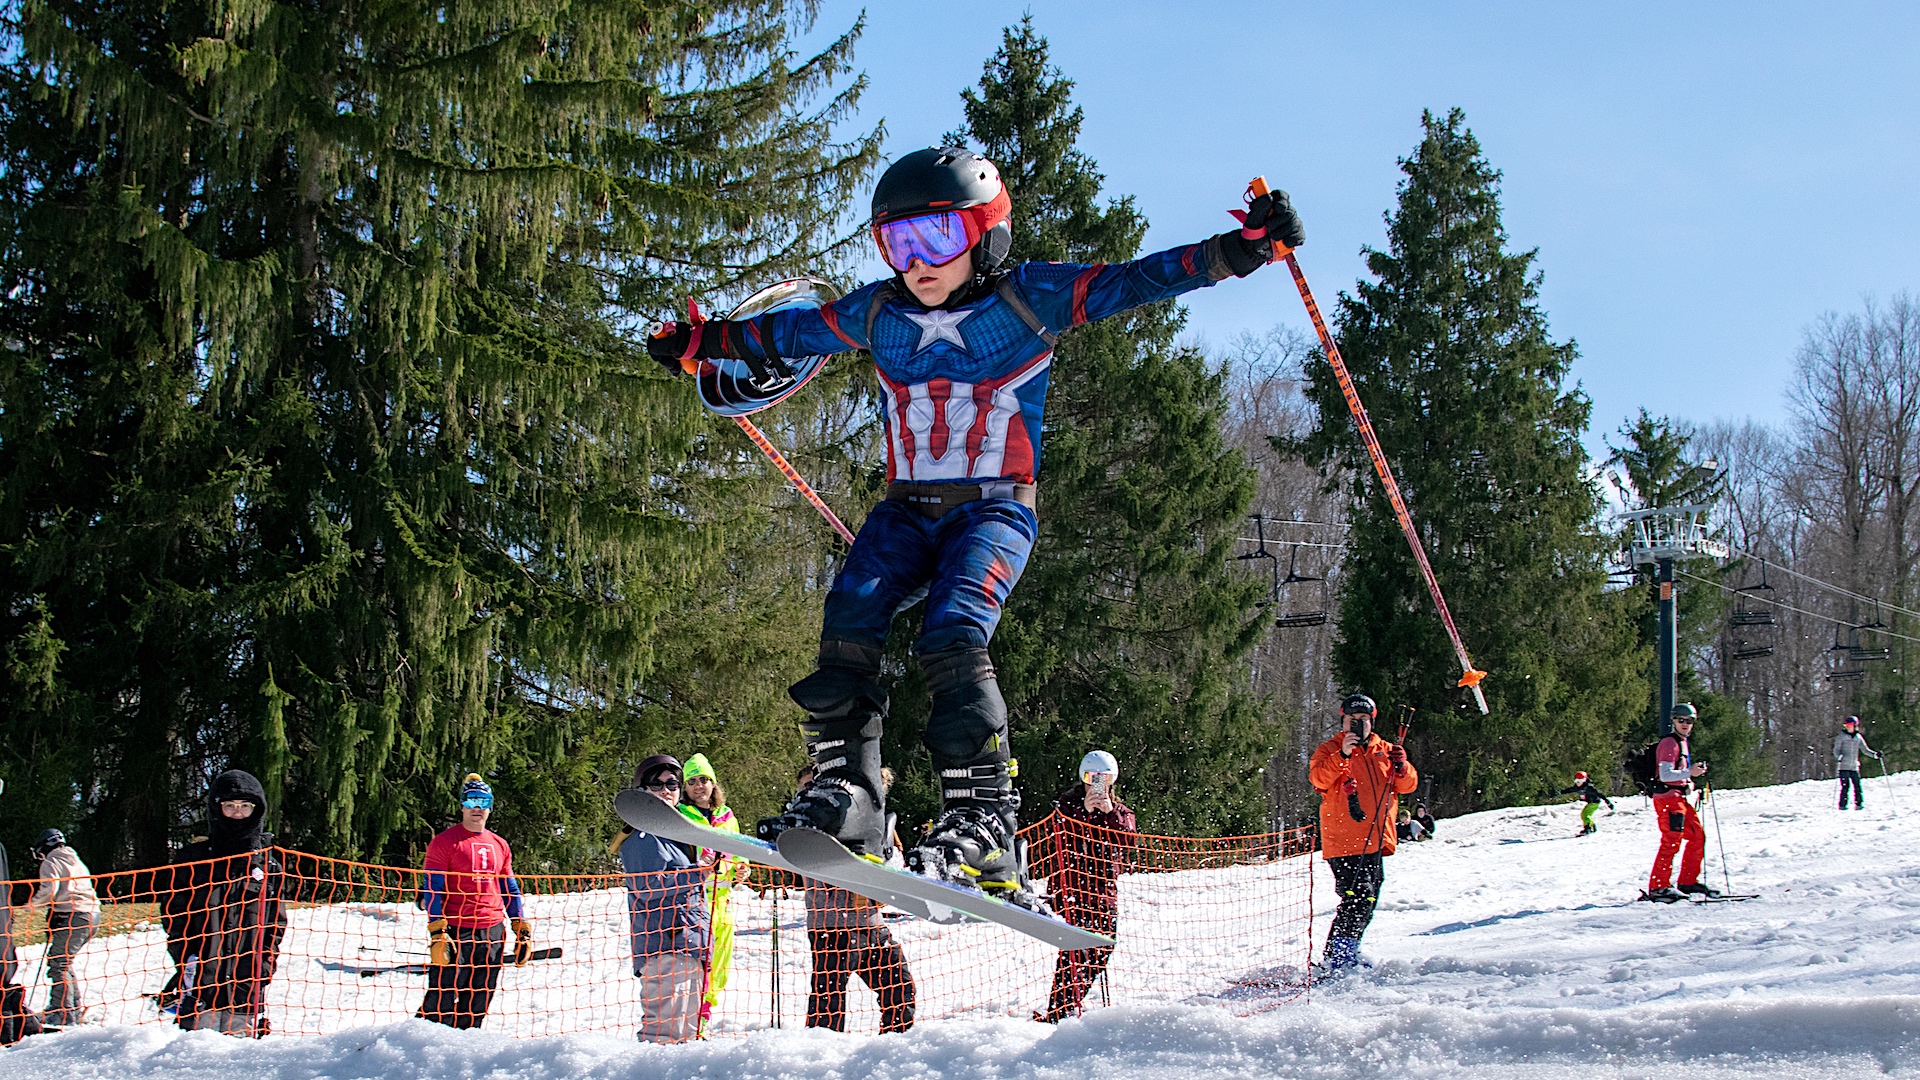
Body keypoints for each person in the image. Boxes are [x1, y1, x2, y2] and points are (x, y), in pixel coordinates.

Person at [652, 147, 1305, 906]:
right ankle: (849, 795)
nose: (918, 261)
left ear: (986, 233)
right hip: (905, 508)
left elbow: (1138, 280)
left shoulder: (1030, 300)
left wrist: (1244, 249)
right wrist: (704, 345)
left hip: (995, 506)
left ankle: (983, 822)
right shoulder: (878, 313)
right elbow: (791, 333)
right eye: (898, 243)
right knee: (848, 618)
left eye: (938, 238)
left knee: (953, 631)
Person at [163, 769, 286, 1036]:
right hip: (201, 981)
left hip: (246, 981)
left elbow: (276, 923)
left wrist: (265, 963)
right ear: (217, 809)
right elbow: (174, 914)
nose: (238, 813)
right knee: (196, 1052)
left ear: (257, 809)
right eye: (230, 806)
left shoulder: (268, 865)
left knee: (242, 1057)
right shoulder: (193, 859)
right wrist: (186, 959)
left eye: (245, 806)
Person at [796, 763, 916, 1035]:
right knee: (828, 1008)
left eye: (816, 784)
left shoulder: (867, 821)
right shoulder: (804, 822)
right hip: (831, 930)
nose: (812, 790)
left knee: (900, 987)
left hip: (871, 926)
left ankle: (895, 1046)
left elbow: (896, 860)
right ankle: (817, 1058)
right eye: (806, 786)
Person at [1307, 694, 1418, 972]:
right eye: (1352, 720)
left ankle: (1347, 950)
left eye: (1364, 720)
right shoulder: (1329, 750)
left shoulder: (1386, 749)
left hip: (1376, 840)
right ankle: (1338, 957)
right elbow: (1318, 779)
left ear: (1372, 720)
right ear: (1343, 721)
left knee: (1368, 899)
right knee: (1357, 897)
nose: (1358, 725)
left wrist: (1402, 767)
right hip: (1344, 841)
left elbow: (1408, 786)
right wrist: (1342, 754)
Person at [417, 774, 531, 1030]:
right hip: (456, 929)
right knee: (441, 998)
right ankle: (421, 1046)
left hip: (492, 930)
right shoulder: (444, 842)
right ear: (462, 805)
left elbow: (508, 887)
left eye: (483, 801)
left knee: (478, 999)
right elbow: (432, 888)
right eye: (471, 801)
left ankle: (466, 1046)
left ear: (490, 806)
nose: (477, 808)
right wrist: (437, 929)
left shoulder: (500, 844)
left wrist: (519, 925)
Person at [1036, 750, 1135, 1023]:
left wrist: (1109, 812)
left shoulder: (1120, 811)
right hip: (1071, 890)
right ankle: (1059, 1011)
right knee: (1072, 953)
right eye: (1092, 778)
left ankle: (1065, 1006)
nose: (1097, 784)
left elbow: (1129, 842)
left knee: (1102, 947)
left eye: (1103, 778)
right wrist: (1085, 813)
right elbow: (1057, 835)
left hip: (1102, 892)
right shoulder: (1068, 804)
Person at [620, 755, 711, 1043]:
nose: (666, 789)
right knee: (663, 1034)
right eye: (656, 784)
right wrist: (698, 873)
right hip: (665, 948)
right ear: (642, 790)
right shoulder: (644, 837)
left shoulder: (675, 835)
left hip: (687, 943)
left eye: (672, 783)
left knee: (685, 1032)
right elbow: (649, 887)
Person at [677, 753, 746, 1027]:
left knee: (719, 969)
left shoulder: (727, 816)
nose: (698, 786)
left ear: (713, 784)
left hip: (723, 905)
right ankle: (693, 1022)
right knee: (697, 966)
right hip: (695, 904)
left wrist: (743, 869)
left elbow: (741, 854)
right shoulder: (681, 815)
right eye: (692, 781)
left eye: (704, 780)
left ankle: (704, 1016)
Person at [22, 829, 99, 1026]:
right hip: (91, 914)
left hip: (75, 915)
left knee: (58, 963)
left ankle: (62, 1012)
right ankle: (72, 1007)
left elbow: (50, 888)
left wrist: (32, 905)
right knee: (64, 961)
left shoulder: (51, 861)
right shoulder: (74, 858)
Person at [1645, 703, 1715, 902]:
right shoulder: (1669, 743)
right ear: (1673, 721)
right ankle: (1659, 887)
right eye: (1681, 720)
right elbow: (1665, 775)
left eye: (1689, 721)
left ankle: (1687, 882)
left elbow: (1677, 774)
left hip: (1679, 798)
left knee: (1697, 836)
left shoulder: (1682, 742)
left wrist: (1690, 780)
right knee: (1671, 841)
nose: (1685, 724)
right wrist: (1689, 773)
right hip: (1667, 799)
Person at [1834, 715, 1881, 811]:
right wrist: (1839, 757)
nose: (1848, 727)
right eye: (1847, 725)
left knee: (1857, 786)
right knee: (1845, 786)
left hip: (1854, 766)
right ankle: (1842, 805)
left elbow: (1865, 750)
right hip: (1844, 766)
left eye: (1850, 725)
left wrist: (1875, 755)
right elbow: (1836, 750)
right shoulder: (1841, 737)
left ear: (1855, 726)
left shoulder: (1858, 738)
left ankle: (1859, 804)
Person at [1558, 771, 1615, 836]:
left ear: (1584, 780)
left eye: (1580, 781)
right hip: (1591, 803)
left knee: (1585, 815)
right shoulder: (1578, 787)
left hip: (1594, 802)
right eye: (1576, 781)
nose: (1578, 783)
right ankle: (1592, 826)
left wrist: (1608, 802)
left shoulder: (1589, 787)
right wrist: (1561, 792)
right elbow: (1570, 790)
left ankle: (1588, 828)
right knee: (1586, 815)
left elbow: (1600, 794)